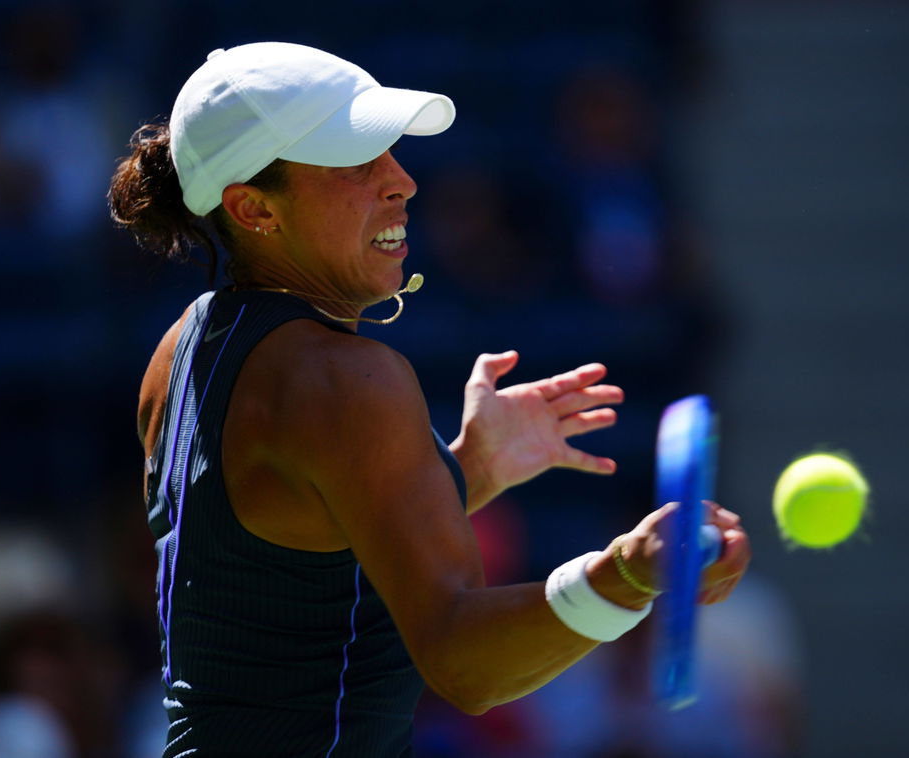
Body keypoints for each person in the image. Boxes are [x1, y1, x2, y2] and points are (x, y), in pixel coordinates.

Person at [108, 42, 750, 758]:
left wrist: (467, 469)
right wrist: (626, 574)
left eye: (389, 153)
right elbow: (461, 661)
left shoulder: (179, 349)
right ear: (254, 208)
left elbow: (290, 564)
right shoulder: (348, 380)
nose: (403, 181)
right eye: (356, 163)